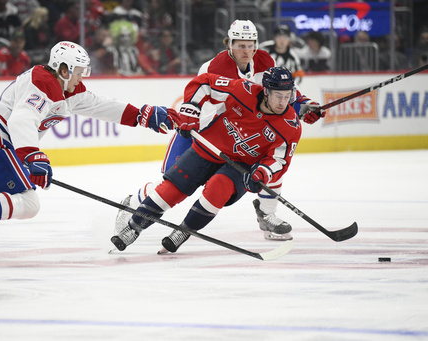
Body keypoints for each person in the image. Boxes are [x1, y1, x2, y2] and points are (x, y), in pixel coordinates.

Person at [0, 41, 179, 257]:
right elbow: (21, 119)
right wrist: (33, 156)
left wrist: (142, 115)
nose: (82, 75)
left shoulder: (66, 89)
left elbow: (101, 106)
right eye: (79, 70)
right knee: (28, 202)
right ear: (63, 69)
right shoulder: (43, 82)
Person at [114, 20, 325, 243]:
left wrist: (302, 104)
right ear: (229, 44)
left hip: (238, 134)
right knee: (171, 184)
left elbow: (279, 90)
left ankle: (266, 213)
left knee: (270, 159)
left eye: (250, 44)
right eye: (240, 45)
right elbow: (205, 102)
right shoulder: (214, 67)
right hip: (203, 132)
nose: (246, 51)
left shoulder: (264, 60)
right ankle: (133, 203)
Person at [111, 67, 302, 253]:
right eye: (278, 96)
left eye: (287, 96)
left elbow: (279, 159)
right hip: (209, 147)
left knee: (218, 188)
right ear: (266, 92)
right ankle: (132, 228)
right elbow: (205, 82)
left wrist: (262, 173)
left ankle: (183, 232)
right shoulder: (243, 90)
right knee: (171, 189)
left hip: (241, 166)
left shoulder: (291, 125)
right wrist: (190, 111)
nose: (283, 102)